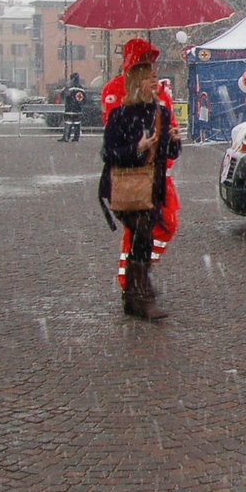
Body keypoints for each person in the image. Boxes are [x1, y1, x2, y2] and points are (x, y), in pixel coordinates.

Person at [99, 38, 181, 320]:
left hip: (153, 186)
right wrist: (137, 149)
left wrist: (173, 142)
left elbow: (170, 153)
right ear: (137, 81)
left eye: (156, 77)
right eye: (150, 77)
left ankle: (134, 295)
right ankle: (140, 292)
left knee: (142, 238)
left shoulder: (162, 112)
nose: (156, 82)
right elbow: (108, 152)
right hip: (126, 187)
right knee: (142, 235)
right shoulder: (121, 115)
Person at [59, 73, 85, 142]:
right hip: (78, 110)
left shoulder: (69, 87)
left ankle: (66, 137)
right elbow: (84, 99)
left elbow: (63, 94)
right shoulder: (81, 88)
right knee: (77, 124)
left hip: (70, 109)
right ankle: (76, 138)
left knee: (68, 123)